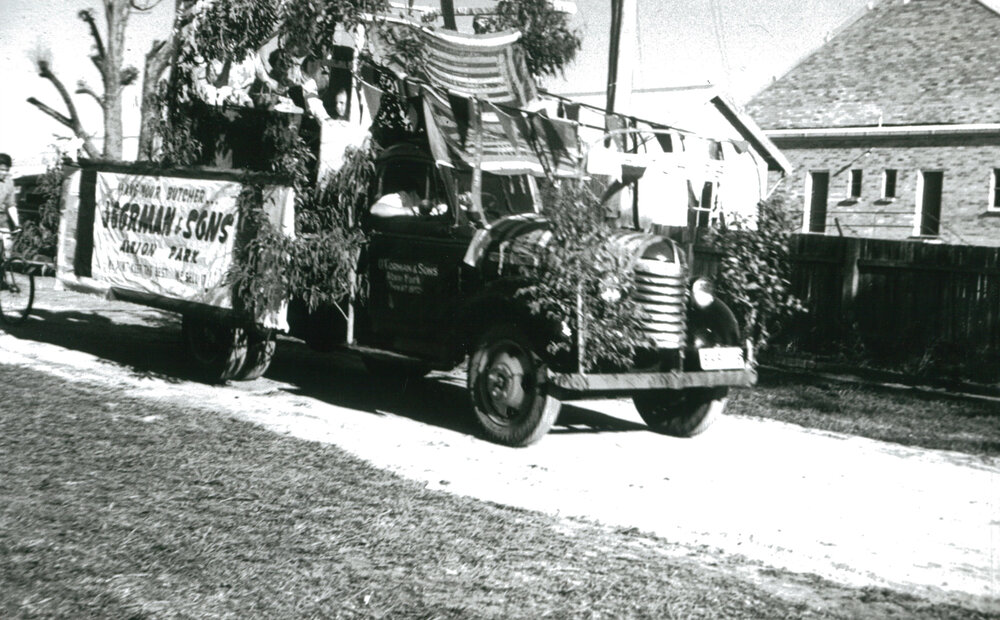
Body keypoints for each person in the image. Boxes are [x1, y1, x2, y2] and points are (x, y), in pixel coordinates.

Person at [0, 153, 19, 260]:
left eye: (6, 170)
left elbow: (11, 205)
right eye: (1, 169)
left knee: (7, 246)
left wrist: (17, 224)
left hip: (2, 219)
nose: (4, 173)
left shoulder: (9, 182)